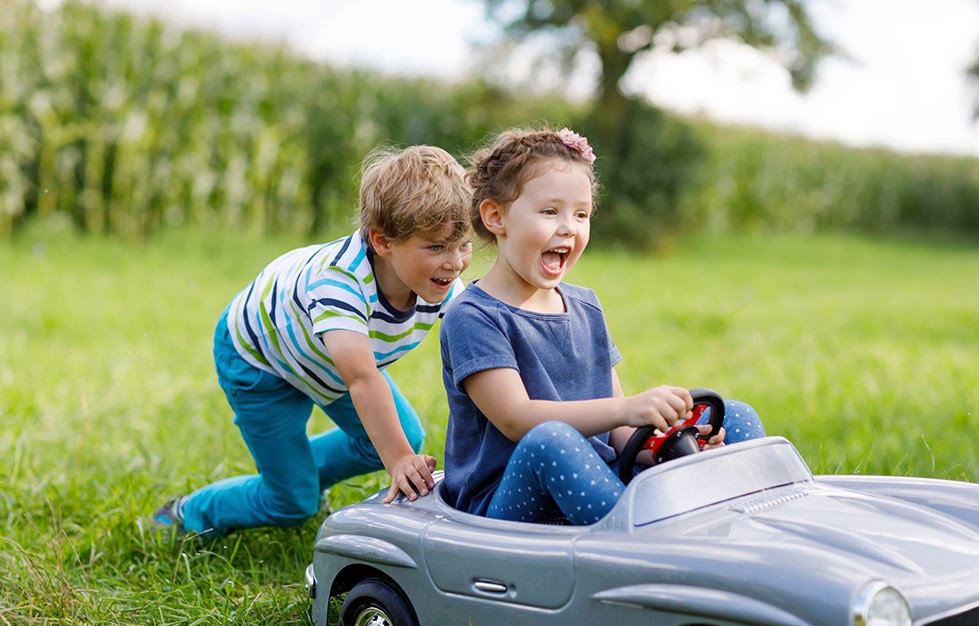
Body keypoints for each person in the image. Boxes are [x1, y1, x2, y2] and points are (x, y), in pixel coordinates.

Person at [439, 128, 765, 525]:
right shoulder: (473, 315)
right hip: (507, 506)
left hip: (598, 480)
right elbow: (516, 419)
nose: (569, 228)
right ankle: (645, 541)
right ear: (496, 216)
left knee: (734, 416)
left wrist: (682, 448)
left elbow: (620, 438)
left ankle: (746, 522)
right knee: (550, 440)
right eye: (549, 212)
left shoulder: (585, 306)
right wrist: (627, 409)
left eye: (581, 214)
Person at [153, 145, 473, 536]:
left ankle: (300, 473)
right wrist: (400, 460)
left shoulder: (441, 283)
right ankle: (187, 513)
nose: (455, 262)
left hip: (324, 359)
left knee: (400, 435)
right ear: (383, 242)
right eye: (437, 246)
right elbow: (361, 379)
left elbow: (477, 350)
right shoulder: (340, 282)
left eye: (464, 245)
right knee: (292, 503)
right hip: (260, 359)